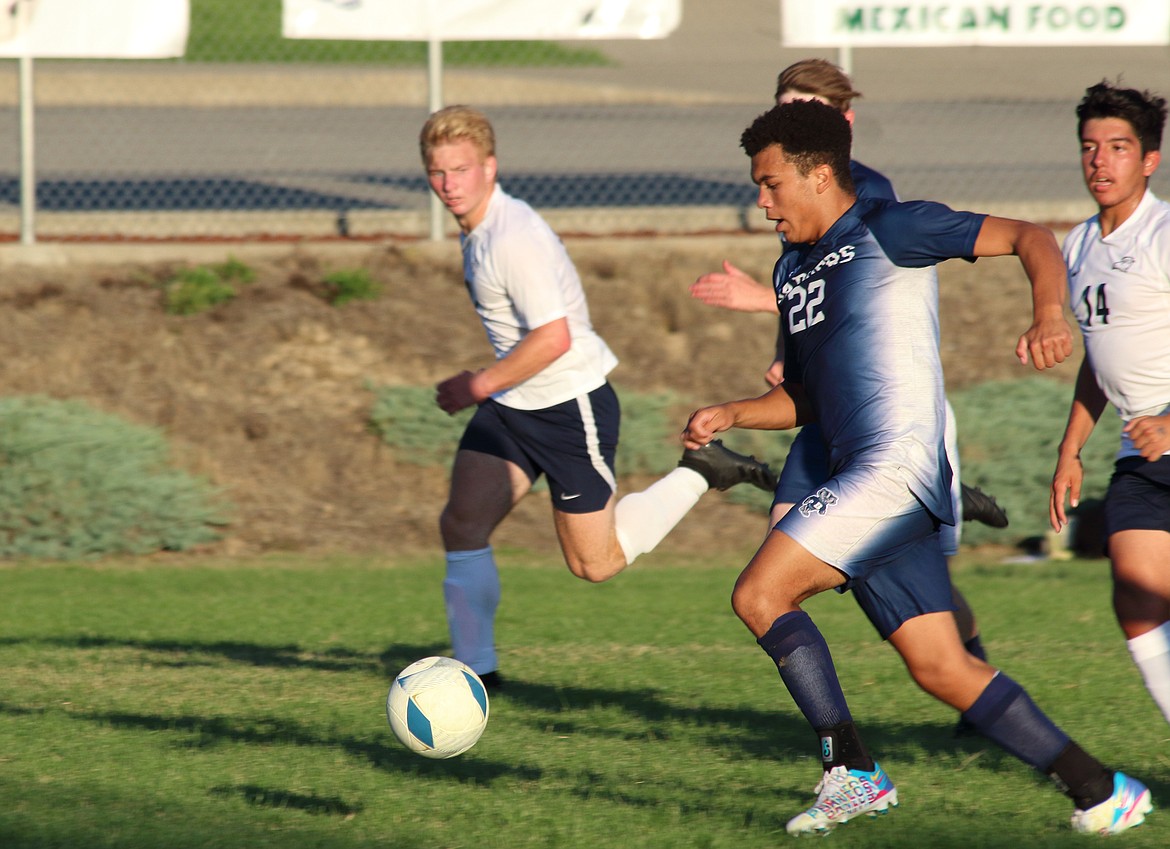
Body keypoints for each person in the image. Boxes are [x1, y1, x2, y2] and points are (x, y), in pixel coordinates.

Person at [683, 99, 1151, 836]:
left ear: (817, 174)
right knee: (942, 667)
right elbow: (809, 395)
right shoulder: (793, 267)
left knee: (760, 594)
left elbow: (1030, 237)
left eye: (771, 184)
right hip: (866, 479)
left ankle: (852, 770)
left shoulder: (890, 227)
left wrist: (1049, 312)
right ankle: (1102, 789)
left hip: (891, 470)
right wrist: (738, 410)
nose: (762, 202)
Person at [419, 105, 778, 689]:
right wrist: (495, 388)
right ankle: (476, 672)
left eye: (461, 169)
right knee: (462, 523)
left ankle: (702, 470)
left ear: (490, 167)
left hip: (567, 405)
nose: (449, 184)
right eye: (438, 172)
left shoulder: (513, 238)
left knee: (595, 563)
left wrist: (477, 384)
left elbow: (554, 338)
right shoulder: (480, 231)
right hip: (514, 405)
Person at [690, 59, 1006, 709]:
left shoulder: (872, 197)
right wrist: (786, 360)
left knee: (790, 574)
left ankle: (877, 732)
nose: (791, 117)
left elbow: (862, 296)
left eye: (806, 106)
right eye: (784, 105)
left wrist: (759, 302)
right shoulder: (789, 210)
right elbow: (810, 297)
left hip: (884, 413)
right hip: (823, 411)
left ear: (844, 124)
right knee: (794, 561)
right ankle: (873, 730)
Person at [1051, 81, 1170, 729]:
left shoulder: (1164, 232)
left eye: (1118, 148)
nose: (1100, 160)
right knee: (1137, 595)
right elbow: (1098, 361)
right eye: (1090, 147)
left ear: (1149, 160)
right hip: (1138, 451)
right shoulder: (1078, 244)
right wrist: (1071, 450)